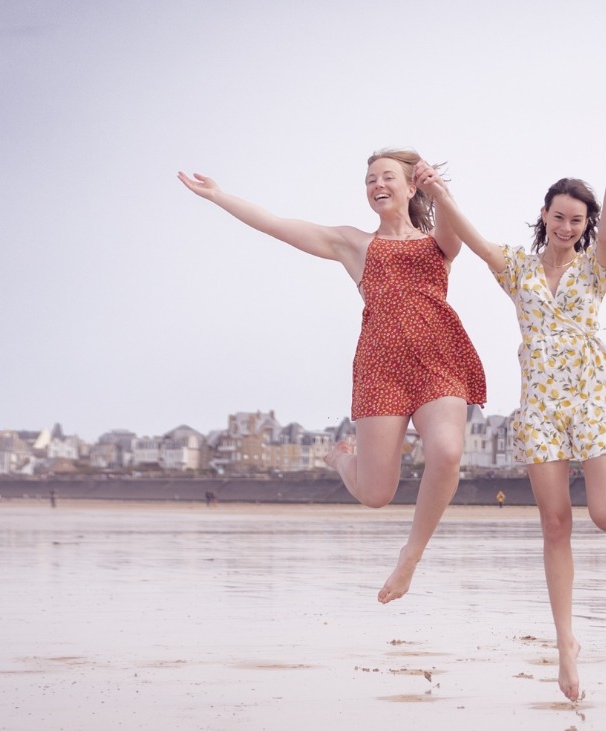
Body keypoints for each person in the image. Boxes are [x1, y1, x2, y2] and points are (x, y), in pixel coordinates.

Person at [178, 149, 486, 604]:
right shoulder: (353, 244)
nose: (377, 185)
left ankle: (411, 555)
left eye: (387, 177)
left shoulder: (436, 242)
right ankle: (342, 458)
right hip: (381, 368)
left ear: (411, 186)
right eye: (370, 180)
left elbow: (453, 229)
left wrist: (439, 189)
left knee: (447, 451)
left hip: (438, 360)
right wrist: (219, 196)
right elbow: (277, 224)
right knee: (376, 494)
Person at [416, 138, 606, 701]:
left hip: (593, 397)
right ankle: (566, 642)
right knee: (555, 525)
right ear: (544, 215)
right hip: (541, 405)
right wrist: (438, 192)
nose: (567, 227)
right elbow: (472, 238)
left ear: (586, 225)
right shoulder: (517, 268)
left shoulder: (598, 267)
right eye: (559, 216)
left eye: (577, 220)